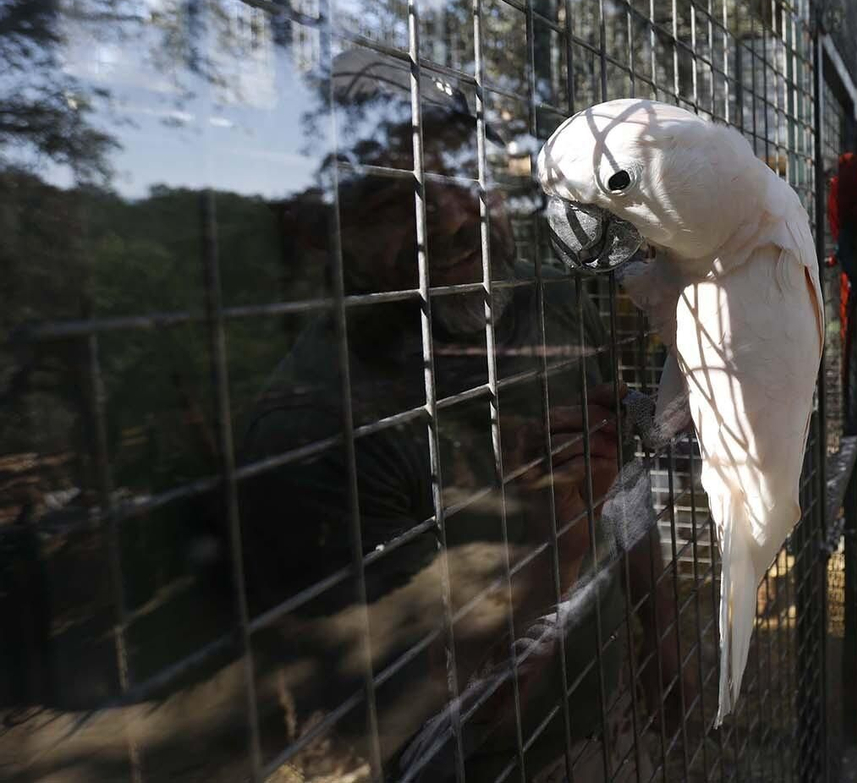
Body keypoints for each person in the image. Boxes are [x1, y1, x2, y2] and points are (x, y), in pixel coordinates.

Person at [232, 47, 689, 782]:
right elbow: (417, 718)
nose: (452, 217)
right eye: (393, 199)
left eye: (463, 174)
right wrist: (552, 543)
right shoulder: (312, 427)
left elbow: (626, 486)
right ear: (321, 230)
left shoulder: (548, 306)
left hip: (604, 725)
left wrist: (660, 628)